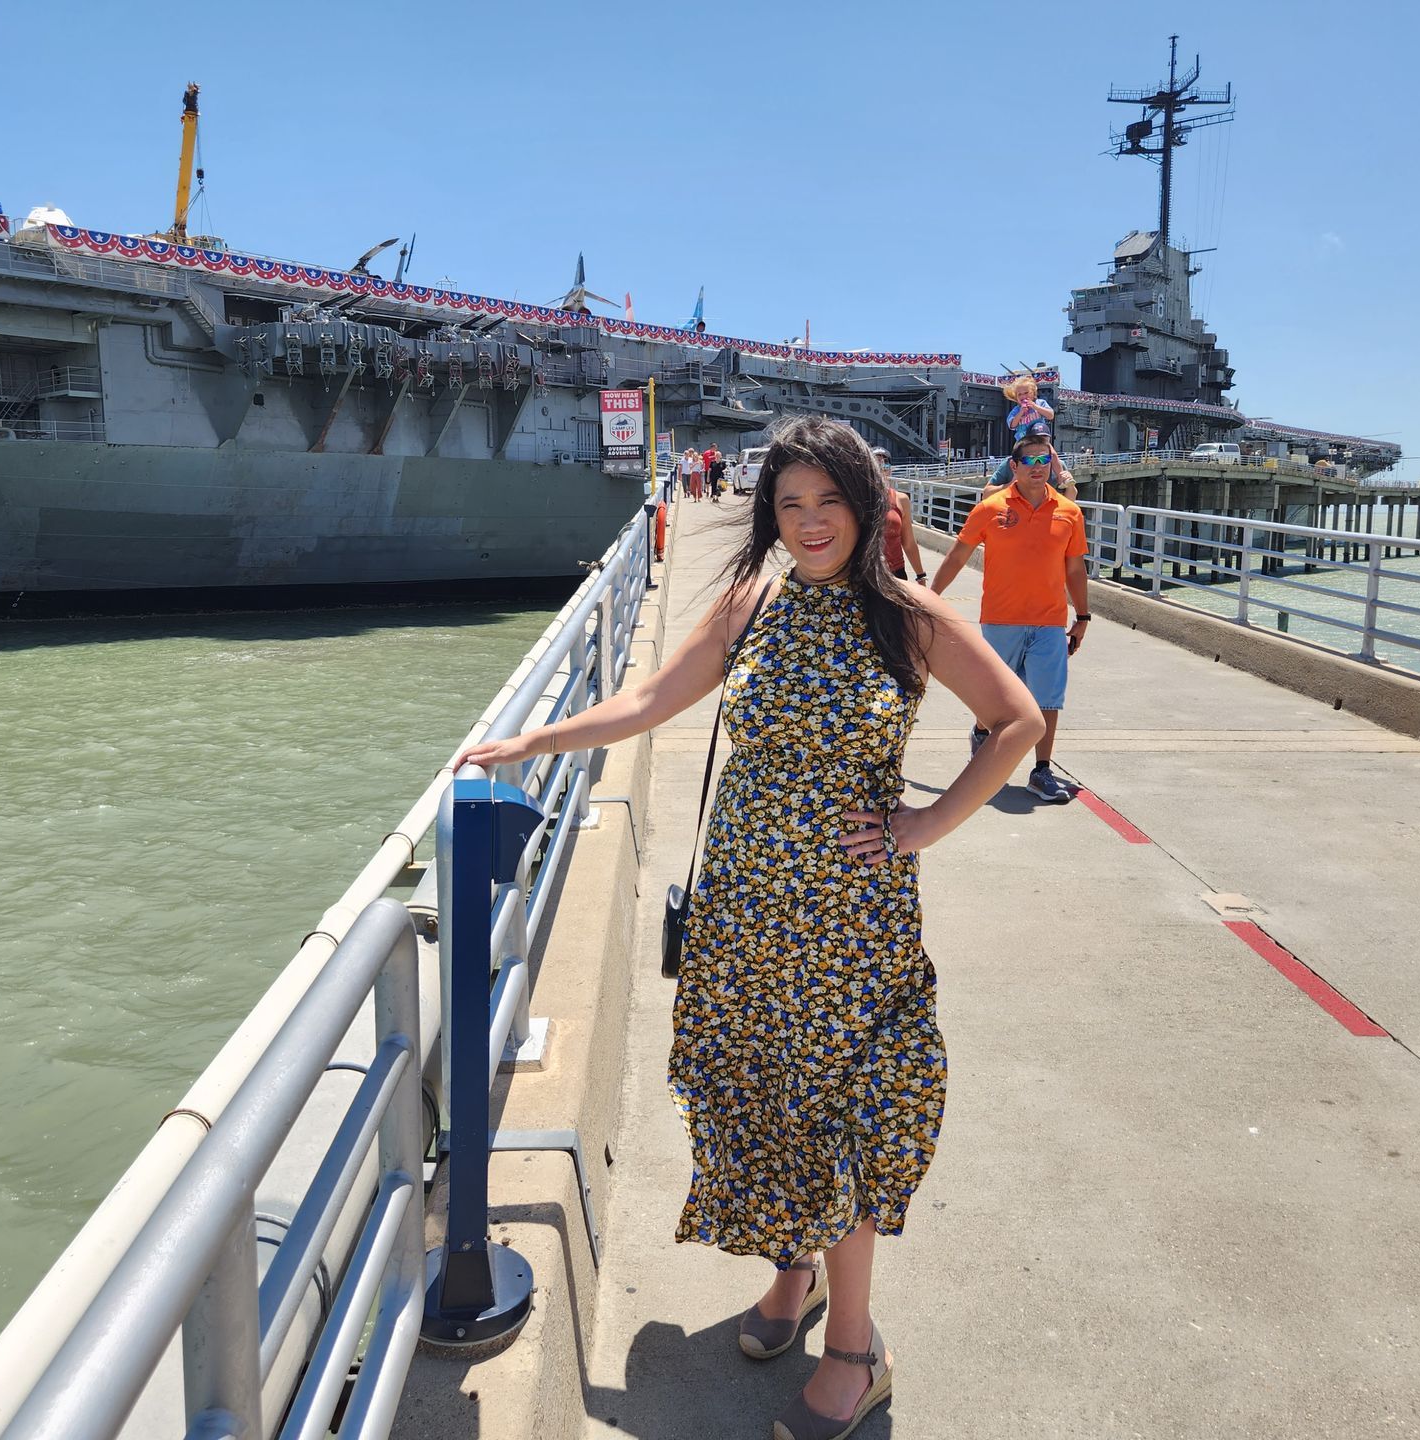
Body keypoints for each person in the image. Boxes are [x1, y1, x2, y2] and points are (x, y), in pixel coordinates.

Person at [456, 417, 1042, 1439]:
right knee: (765, 1095)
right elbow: (645, 698)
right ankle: (795, 1276)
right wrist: (528, 739)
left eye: (829, 502)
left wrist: (927, 823)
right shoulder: (751, 605)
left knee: (844, 1112)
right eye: (790, 505)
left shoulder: (907, 615)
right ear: (771, 516)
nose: (812, 524)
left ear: (866, 505)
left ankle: (857, 1352)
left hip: (850, 922)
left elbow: (1018, 721)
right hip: (744, 908)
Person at [930, 430, 1091, 805]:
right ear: (1014, 467)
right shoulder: (990, 508)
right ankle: (982, 734)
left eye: (1044, 460)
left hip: (1050, 621)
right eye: (1029, 461)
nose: (1038, 467)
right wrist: (929, 597)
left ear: (1052, 465)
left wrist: (1082, 615)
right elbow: (957, 555)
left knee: (1047, 699)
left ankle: (1042, 770)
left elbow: (1075, 568)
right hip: (1001, 619)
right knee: (994, 698)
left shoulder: (1069, 512)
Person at [871, 447, 927, 583]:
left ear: (890, 469)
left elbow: (908, 543)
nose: (880, 468)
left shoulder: (901, 499)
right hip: (868, 573)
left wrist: (920, 575)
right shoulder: (858, 499)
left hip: (896, 573)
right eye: (875, 464)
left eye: (885, 464)